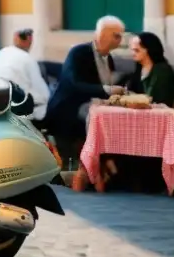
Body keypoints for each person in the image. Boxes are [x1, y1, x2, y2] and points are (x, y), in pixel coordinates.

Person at [45, 15, 126, 163]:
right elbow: (74, 84)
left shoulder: (109, 58)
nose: (120, 40)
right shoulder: (78, 53)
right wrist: (107, 90)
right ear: (103, 34)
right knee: (70, 164)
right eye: (116, 36)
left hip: (93, 115)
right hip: (68, 114)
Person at [0, 29, 50, 122]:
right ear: (28, 41)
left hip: (3, 104)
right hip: (25, 110)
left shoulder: (3, 52)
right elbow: (43, 93)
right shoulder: (28, 60)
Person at [126, 31, 174, 107]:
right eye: (132, 50)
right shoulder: (138, 69)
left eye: (137, 50)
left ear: (148, 50)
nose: (132, 54)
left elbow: (158, 100)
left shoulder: (162, 71)